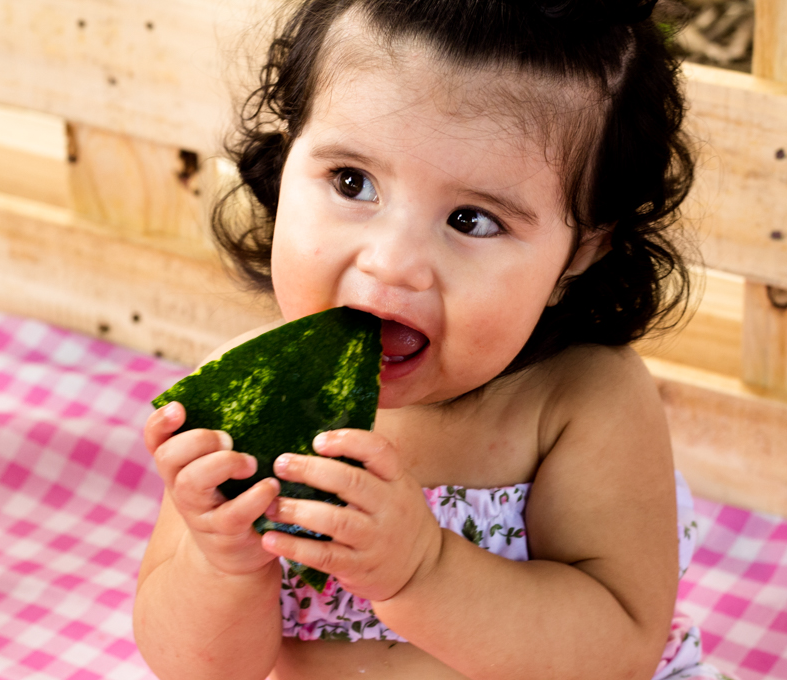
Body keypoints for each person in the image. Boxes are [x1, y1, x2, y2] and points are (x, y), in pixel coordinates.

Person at [134, 0, 734, 678]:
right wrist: (224, 562)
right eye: (352, 182)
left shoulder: (579, 403)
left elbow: (617, 652)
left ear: (579, 254)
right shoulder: (251, 389)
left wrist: (423, 569)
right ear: (286, 154)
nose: (390, 261)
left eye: (472, 220)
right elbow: (193, 668)